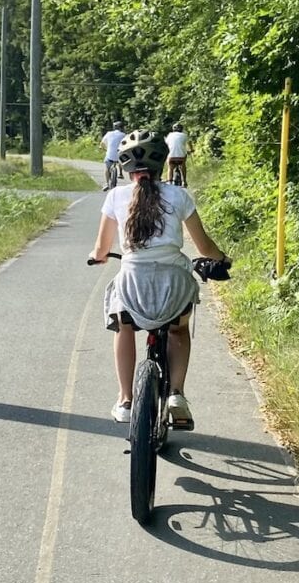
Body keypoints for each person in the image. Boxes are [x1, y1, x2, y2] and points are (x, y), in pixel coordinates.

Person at [88, 129, 229, 424]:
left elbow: (101, 248)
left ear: (125, 168)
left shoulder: (115, 196)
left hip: (133, 283)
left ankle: (125, 400)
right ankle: (176, 393)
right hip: (173, 283)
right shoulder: (179, 195)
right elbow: (204, 247)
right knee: (178, 330)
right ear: (162, 164)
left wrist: (98, 257)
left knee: (123, 328)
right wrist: (221, 258)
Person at [100, 121, 127, 191]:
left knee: (107, 167)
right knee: (121, 158)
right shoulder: (123, 135)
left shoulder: (109, 133)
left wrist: (104, 148)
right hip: (119, 155)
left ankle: (106, 183)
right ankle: (120, 173)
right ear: (121, 128)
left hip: (110, 155)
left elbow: (102, 143)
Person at [164, 122, 189, 187]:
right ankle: (184, 181)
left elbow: (166, 143)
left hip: (171, 157)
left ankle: (170, 182)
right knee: (183, 164)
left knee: (170, 167)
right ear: (181, 129)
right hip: (181, 158)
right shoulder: (184, 135)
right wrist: (191, 150)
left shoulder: (169, 135)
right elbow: (189, 144)